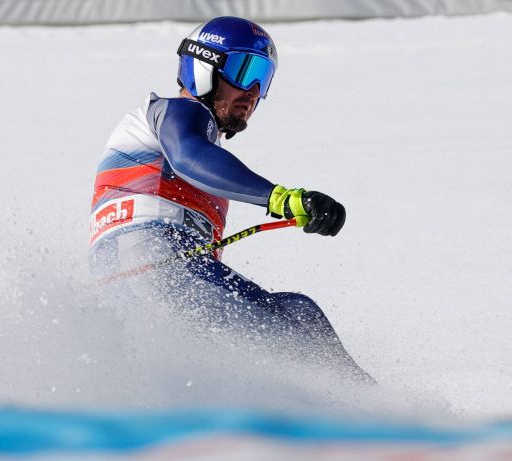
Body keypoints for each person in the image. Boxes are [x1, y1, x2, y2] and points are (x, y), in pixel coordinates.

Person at [90, 16, 371, 382]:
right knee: (300, 336)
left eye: (264, 78)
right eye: (244, 69)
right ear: (204, 67)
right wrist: (280, 198)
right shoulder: (178, 112)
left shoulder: (194, 141)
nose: (253, 90)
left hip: (131, 284)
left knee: (297, 318)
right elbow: (189, 157)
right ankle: (377, 415)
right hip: (158, 265)